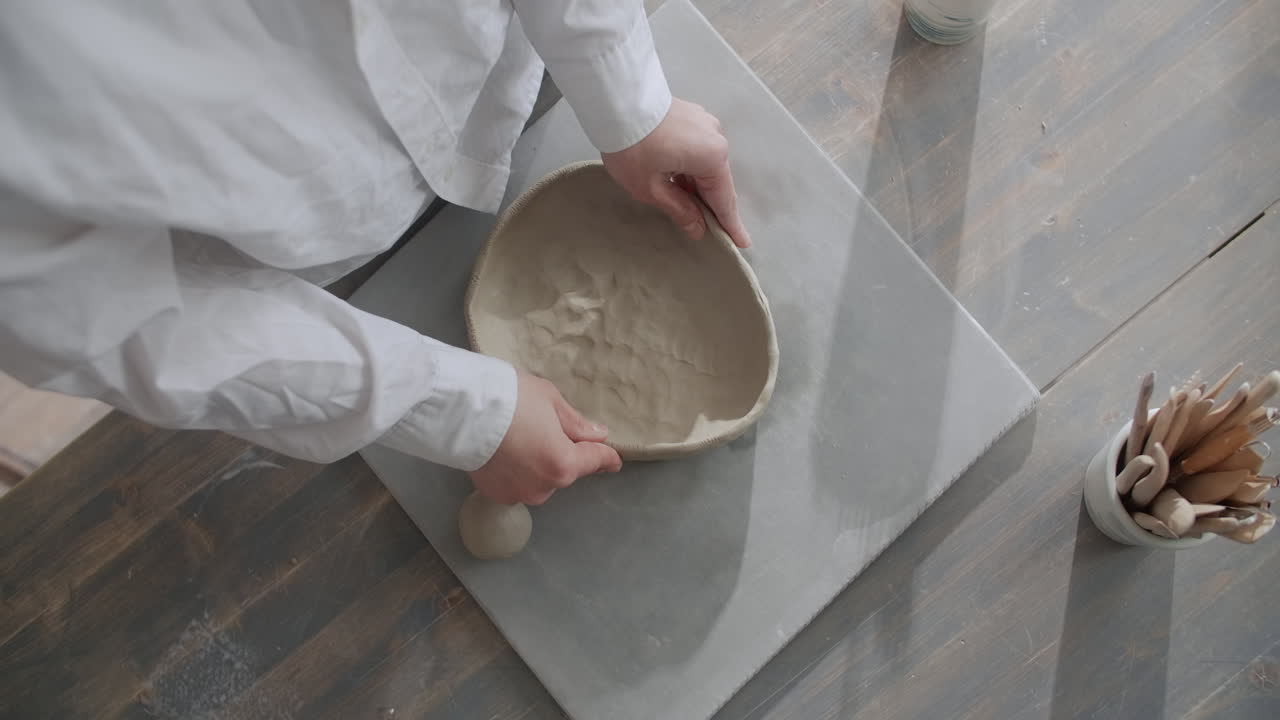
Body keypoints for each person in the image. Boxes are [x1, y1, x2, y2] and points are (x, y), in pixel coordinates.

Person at [0, 1, 749, 506]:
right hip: (296, 272)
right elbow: (105, 316)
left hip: (512, 64)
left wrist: (626, 95)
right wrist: (453, 412)